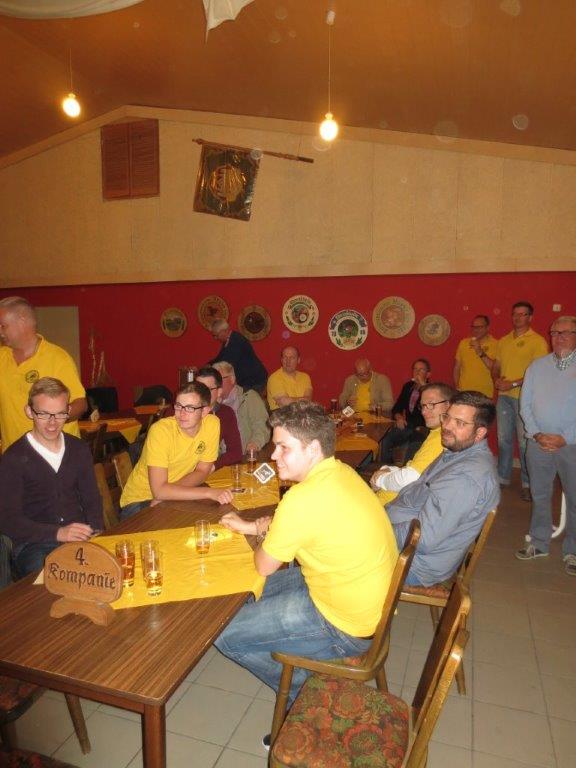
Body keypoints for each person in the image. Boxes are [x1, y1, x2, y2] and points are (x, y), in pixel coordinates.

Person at [214, 401, 398, 707]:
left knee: (224, 632)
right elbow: (302, 523)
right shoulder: (341, 472)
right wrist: (252, 526)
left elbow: (263, 565)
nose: (273, 455)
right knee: (245, 592)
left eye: (283, 447)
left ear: (313, 448)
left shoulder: (301, 498)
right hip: (359, 600)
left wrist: (260, 534)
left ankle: (303, 697)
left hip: (345, 626)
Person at [385, 391, 500, 586]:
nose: (447, 426)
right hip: (402, 539)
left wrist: (378, 527)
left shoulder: (465, 478)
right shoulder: (457, 451)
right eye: (447, 417)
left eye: (459, 423)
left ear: (480, 433)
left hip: (412, 562)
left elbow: (423, 539)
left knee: (333, 550)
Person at [0, 377, 103, 578]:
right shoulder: (13, 458)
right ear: (29, 411)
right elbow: (8, 519)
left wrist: (97, 531)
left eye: (60, 414)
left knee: (104, 574)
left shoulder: (78, 449)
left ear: (68, 411)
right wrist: (58, 533)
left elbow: (91, 499)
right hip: (34, 544)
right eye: (44, 414)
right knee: (52, 581)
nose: (52, 423)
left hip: (80, 535)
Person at [516, 316, 576, 576]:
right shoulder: (537, 366)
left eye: (565, 332)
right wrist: (537, 434)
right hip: (538, 443)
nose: (558, 337)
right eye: (554, 333)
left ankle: (573, 551)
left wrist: (566, 437)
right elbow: (525, 404)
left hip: (571, 445)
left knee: (574, 498)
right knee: (540, 495)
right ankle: (539, 543)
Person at [119, 382, 233, 517]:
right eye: (178, 406)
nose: (182, 414)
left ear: (204, 411)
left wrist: (168, 493)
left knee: (213, 518)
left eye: (190, 408)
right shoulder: (161, 431)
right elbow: (158, 491)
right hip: (139, 502)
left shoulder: (212, 424)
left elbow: (202, 471)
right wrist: (208, 492)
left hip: (169, 497)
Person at [0, 296, 87, 451]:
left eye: (2, 326)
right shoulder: (2, 357)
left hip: (55, 454)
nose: (0, 331)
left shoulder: (57, 358)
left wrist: (53, 420)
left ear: (22, 321)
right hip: (14, 455)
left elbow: (80, 404)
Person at [492, 302, 548, 500]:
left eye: (522, 314)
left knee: (525, 443)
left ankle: (527, 483)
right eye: (515, 314)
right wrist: (497, 379)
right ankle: (502, 478)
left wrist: (513, 384)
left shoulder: (538, 341)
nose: (517, 317)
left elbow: (538, 372)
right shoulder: (504, 340)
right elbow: (496, 366)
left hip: (525, 399)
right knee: (503, 441)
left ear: (530, 317)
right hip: (504, 398)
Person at [371, 382, 454, 506]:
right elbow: (417, 471)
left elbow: (411, 478)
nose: (424, 412)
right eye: (423, 406)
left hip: (390, 507)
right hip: (392, 499)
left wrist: (380, 480)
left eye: (431, 404)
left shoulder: (442, 437)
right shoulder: (439, 432)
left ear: (449, 405)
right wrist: (388, 469)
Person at [378, 358, 431, 464]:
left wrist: (422, 386)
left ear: (428, 374)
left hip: (422, 429)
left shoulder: (431, 390)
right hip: (407, 426)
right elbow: (397, 407)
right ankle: (386, 467)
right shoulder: (408, 387)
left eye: (421, 370)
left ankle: (407, 470)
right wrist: (399, 418)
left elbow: (430, 407)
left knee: (410, 449)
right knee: (385, 439)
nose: (417, 372)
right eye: (415, 369)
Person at [213, 361, 270, 453]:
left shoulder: (249, 397)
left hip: (244, 455)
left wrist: (255, 443)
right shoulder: (211, 404)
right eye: (214, 380)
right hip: (218, 457)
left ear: (232, 379)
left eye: (219, 379)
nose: (216, 383)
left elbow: (262, 426)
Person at [195, 366, 243, 469]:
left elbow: (236, 452)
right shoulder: (181, 411)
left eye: (208, 389)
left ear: (219, 392)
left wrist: (212, 467)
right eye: (198, 388)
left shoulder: (225, 413)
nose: (202, 393)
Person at [208, 319, 267, 392]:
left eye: (216, 335)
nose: (215, 338)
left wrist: (209, 371)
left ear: (224, 331)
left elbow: (227, 363)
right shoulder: (229, 340)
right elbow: (220, 358)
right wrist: (208, 365)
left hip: (253, 381)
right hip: (248, 380)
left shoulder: (236, 340)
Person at [453, 314, 498, 397]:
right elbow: (457, 367)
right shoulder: (464, 343)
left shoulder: (496, 344)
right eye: (473, 327)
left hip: (484, 393)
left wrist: (480, 351)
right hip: (464, 391)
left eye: (479, 327)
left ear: (487, 328)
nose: (476, 330)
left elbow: (494, 369)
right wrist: (457, 386)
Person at [267, 346, 313, 410]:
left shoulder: (305, 377)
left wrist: (289, 400)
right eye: (285, 357)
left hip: (302, 414)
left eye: (292, 357)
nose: (288, 361)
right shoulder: (274, 378)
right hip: (282, 415)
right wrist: (304, 400)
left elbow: (308, 400)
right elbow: (283, 403)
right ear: (281, 360)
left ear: (298, 360)